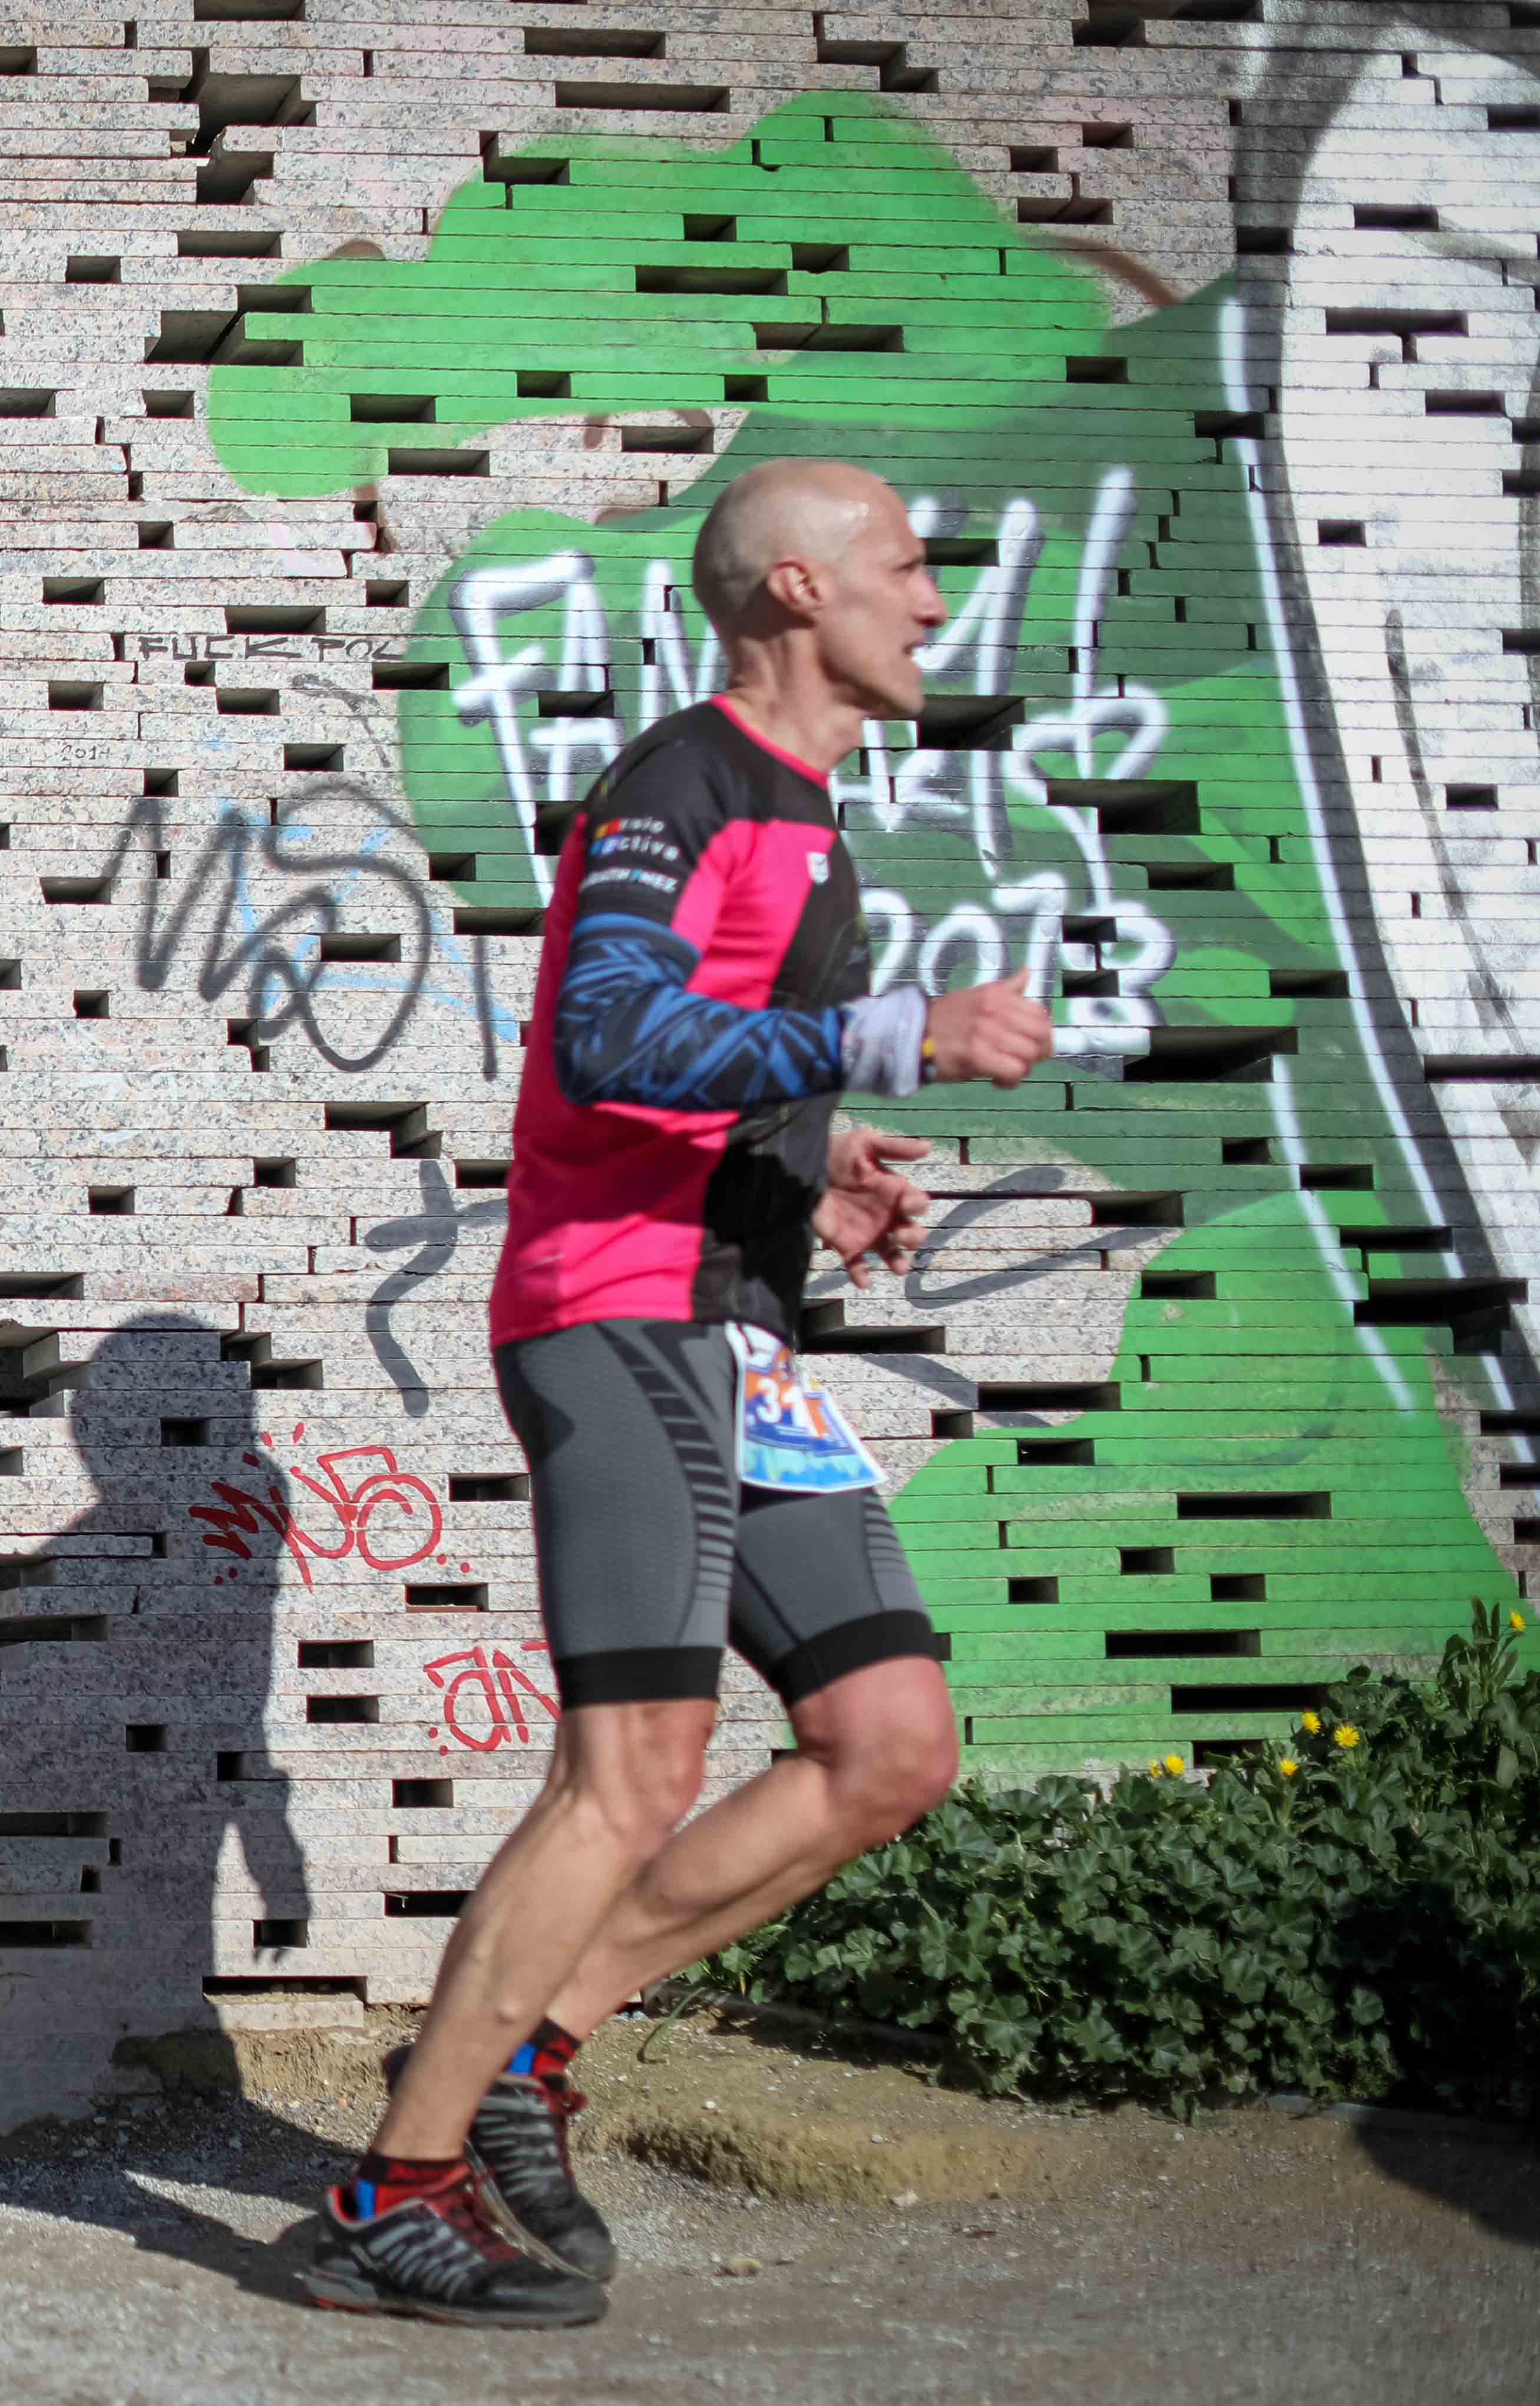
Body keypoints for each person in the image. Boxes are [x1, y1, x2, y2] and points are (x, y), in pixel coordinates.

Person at [299, 459, 1057, 2325]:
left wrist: (823, 1145)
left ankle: (532, 2055)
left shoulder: (809, 812)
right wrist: (895, 1030)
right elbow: (605, 1033)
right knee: (628, 1768)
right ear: (795, 587)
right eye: (906, 562)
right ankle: (396, 2181)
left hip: (743, 1331)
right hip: (618, 1318)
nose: (935, 598)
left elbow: (709, 1057)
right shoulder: (684, 780)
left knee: (888, 1744)